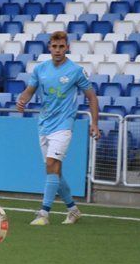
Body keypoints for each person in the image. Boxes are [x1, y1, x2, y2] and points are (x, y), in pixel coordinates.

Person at [16, 31, 100, 225]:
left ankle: (44, 213)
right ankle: (73, 209)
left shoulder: (75, 71)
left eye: (62, 46)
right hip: (44, 124)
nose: (58, 50)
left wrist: (95, 123)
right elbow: (30, 91)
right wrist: (22, 101)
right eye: (55, 46)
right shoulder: (40, 69)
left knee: (52, 164)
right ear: (49, 47)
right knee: (54, 171)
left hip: (64, 125)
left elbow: (91, 97)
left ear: (67, 47)